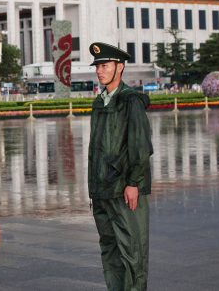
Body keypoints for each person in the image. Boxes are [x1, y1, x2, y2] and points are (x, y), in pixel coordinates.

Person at [88, 42, 153, 291]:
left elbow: (140, 146)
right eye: (98, 66)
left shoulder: (130, 101)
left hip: (124, 191)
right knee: (110, 251)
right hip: (102, 191)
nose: (99, 71)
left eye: (104, 65)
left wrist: (133, 183)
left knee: (132, 253)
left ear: (120, 67)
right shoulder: (100, 102)